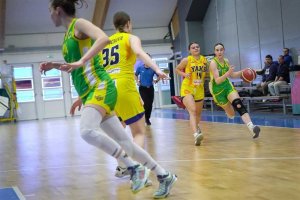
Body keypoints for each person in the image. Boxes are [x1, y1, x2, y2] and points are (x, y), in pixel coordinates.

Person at [40, 1, 176, 198]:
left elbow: (102, 38)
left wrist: (82, 61)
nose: (50, 15)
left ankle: (132, 167)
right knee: (125, 142)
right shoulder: (67, 35)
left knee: (87, 131)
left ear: (58, 10)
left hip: (101, 87)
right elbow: (82, 67)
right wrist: (56, 66)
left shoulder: (78, 24)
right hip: (91, 92)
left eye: (50, 11)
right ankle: (164, 176)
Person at [209, 43, 260, 139]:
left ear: (224, 50)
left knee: (238, 104)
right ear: (215, 52)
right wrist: (228, 73)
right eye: (217, 50)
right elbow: (217, 80)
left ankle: (252, 128)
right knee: (231, 114)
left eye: (221, 49)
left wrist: (244, 71)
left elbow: (232, 75)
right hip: (217, 91)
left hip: (227, 86)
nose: (219, 52)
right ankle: (228, 111)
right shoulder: (213, 63)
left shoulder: (226, 61)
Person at [175, 42, 208, 146]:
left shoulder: (204, 60)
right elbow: (177, 69)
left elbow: (206, 73)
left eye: (197, 47)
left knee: (198, 114)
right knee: (192, 110)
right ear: (190, 50)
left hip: (199, 89)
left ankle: (197, 128)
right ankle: (195, 135)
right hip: (187, 88)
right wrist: (184, 74)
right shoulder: (186, 60)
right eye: (193, 47)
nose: (196, 48)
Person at [135, 53, 160, 126]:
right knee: (145, 104)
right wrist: (137, 82)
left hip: (150, 88)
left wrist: (156, 80)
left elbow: (159, 76)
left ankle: (147, 118)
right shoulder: (140, 68)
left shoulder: (153, 68)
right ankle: (143, 118)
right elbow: (135, 75)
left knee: (150, 104)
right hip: (142, 88)